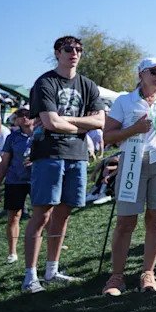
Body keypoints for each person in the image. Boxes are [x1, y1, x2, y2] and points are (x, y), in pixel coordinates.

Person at [22, 35, 106, 293]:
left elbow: (101, 121)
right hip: (49, 154)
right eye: (69, 49)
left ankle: (52, 269)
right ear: (57, 52)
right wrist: (80, 122)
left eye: (79, 49)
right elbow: (49, 123)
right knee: (42, 214)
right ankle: (30, 276)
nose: (75, 53)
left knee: (64, 213)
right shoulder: (45, 82)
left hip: (77, 155)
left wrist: (65, 120)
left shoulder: (88, 85)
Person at [101, 58, 156, 295]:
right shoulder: (124, 101)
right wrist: (133, 130)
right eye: (154, 71)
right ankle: (116, 277)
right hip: (132, 161)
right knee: (126, 220)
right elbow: (108, 136)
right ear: (141, 74)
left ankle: (148, 273)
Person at [0, 107, 33, 263]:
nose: (24, 117)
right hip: (15, 181)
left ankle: (50, 242)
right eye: (20, 115)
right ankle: (12, 252)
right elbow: (4, 163)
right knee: (13, 217)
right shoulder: (12, 137)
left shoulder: (42, 134)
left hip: (37, 180)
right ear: (16, 119)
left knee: (43, 215)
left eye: (27, 114)